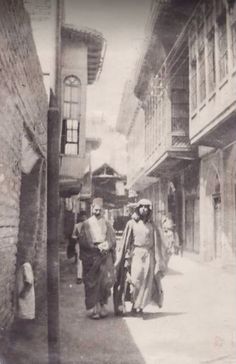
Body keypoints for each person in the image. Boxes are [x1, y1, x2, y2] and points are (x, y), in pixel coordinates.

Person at [113, 199, 169, 317]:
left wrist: (158, 258)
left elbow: (157, 242)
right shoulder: (132, 223)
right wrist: (127, 257)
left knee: (146, 281)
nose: (144, 209)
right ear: (138, 208)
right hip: (136, 254)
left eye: (146, 207)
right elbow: (126, 242)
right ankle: (134, 303)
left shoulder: (152, 225)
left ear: (149, 209)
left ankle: (140, 307)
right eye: (142, 207)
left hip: (149, 254)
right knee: (136, 279)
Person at [79, 198, 116, 319]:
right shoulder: (86, 224)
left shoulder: (107, 223)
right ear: (92, 209)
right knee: (92, 283)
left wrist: (107, 245)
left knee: (104, 282)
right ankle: (94, 309)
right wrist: (94, 247)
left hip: (104, 255)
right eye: (95, 209)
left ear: (103, 210)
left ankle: (103, 306)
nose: (97, 212)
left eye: (99, 210)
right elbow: (83, 240)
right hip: (91, 256)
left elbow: (112, 239)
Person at [72, 211, 87, 284]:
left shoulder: (89, 226)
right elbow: (73, 236)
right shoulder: (77, 226)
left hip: (87, 245)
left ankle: (86, 276)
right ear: (80, 218)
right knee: (79, 260)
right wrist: (78, 237)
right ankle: (79, 277)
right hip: (79, 244)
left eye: (85, 216)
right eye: (82, 216)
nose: (84, 218)